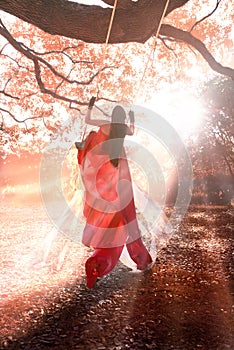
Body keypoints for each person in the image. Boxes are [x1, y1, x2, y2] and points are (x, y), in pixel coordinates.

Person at [77, 98, 152, 288]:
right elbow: (132, 131)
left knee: (107, 212)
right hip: (118, 169)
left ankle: (99, 260)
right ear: (123, 118)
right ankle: (113, 260)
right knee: (123, 217)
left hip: (104, 170)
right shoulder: (123, 128)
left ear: (112, 116)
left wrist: (91, 106)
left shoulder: (106, 125)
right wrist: (132, 119)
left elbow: (88, 120)